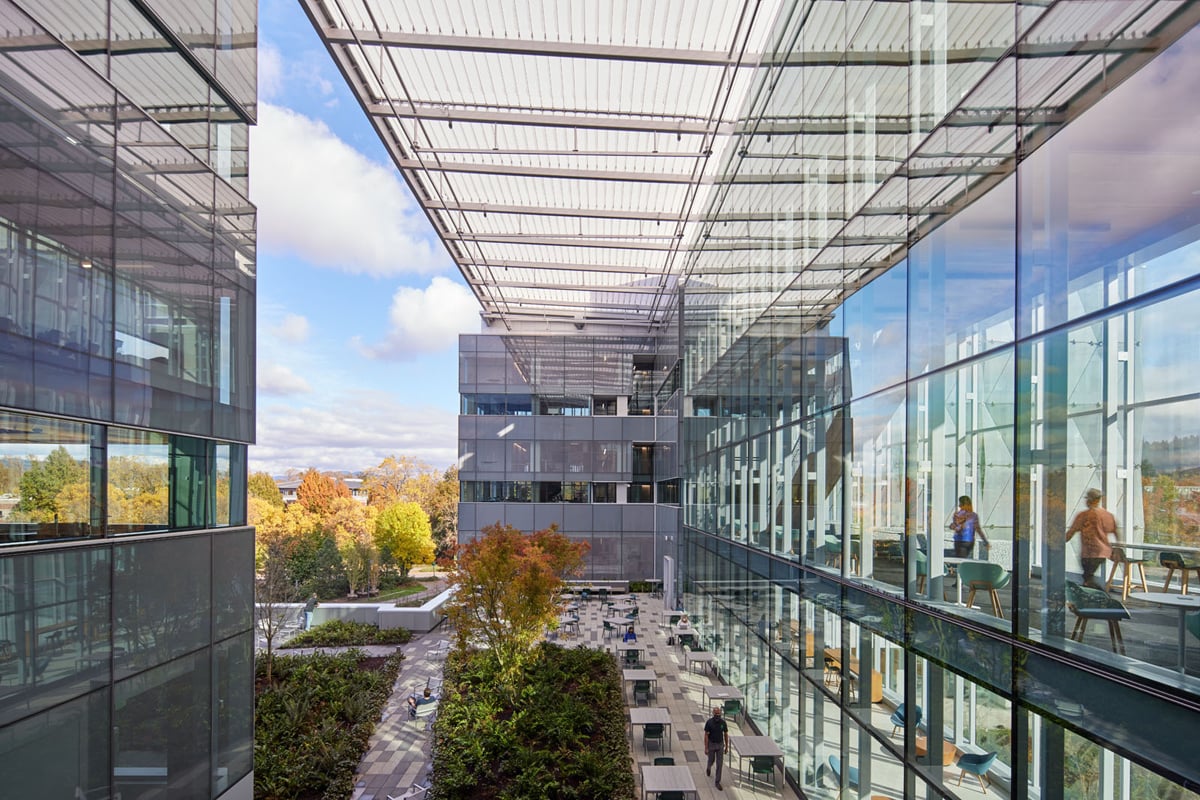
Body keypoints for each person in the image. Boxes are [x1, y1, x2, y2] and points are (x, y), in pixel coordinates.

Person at [1066, 488, 1116, 590]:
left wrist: (1059, 542)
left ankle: (1101, 596)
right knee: (1088, 577)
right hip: (1102, 552)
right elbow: (1114, 531)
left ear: (1091, 500)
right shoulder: (1107, 515)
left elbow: (1071, 531)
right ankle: (1097, 595)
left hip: (1089, 553)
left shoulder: (1083, 515)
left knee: (1087, 578)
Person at [703, 706, 729, 790]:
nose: (717, 715)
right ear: (713, 713)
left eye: (719, 714)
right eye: (716, 713)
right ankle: (709, 767)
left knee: (719, 764)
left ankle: (717, 782)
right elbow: (706, 735)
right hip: (711, 744)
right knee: (711, 760)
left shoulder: (723, 723)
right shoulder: (709, 723)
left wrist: (726, 746)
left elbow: (725, 734)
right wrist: (706, 747)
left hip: (720, 744)